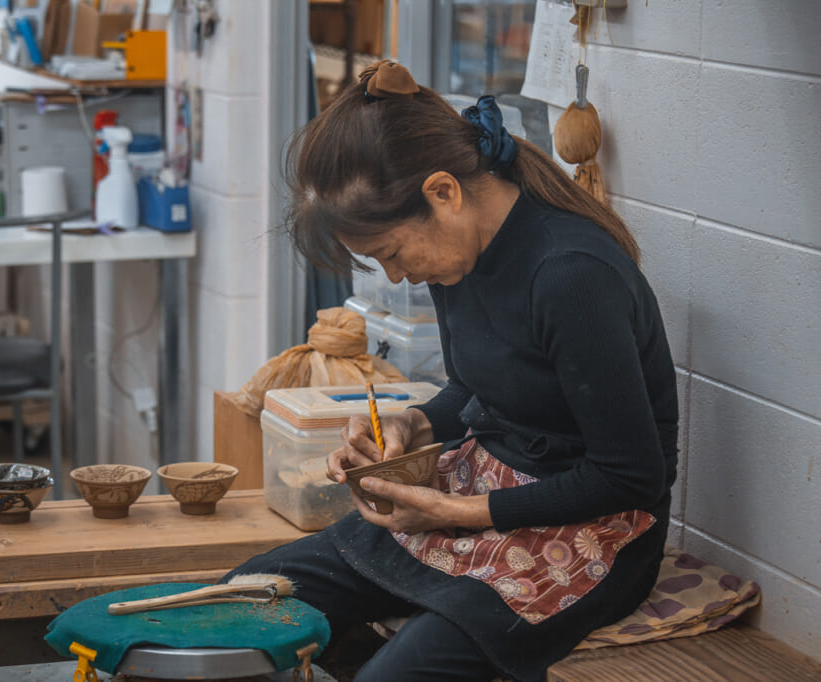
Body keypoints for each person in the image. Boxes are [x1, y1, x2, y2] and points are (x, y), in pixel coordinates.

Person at [224, 60, 678, 682]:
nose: (397, 276)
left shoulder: (571, 275)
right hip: (481, 490)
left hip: (594, 530)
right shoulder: (458, 253)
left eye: (391, 252)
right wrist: (411, 425)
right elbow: (474, 389)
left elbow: (630, 477)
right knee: (245, 600)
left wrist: (452, 513)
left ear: (444, 193)